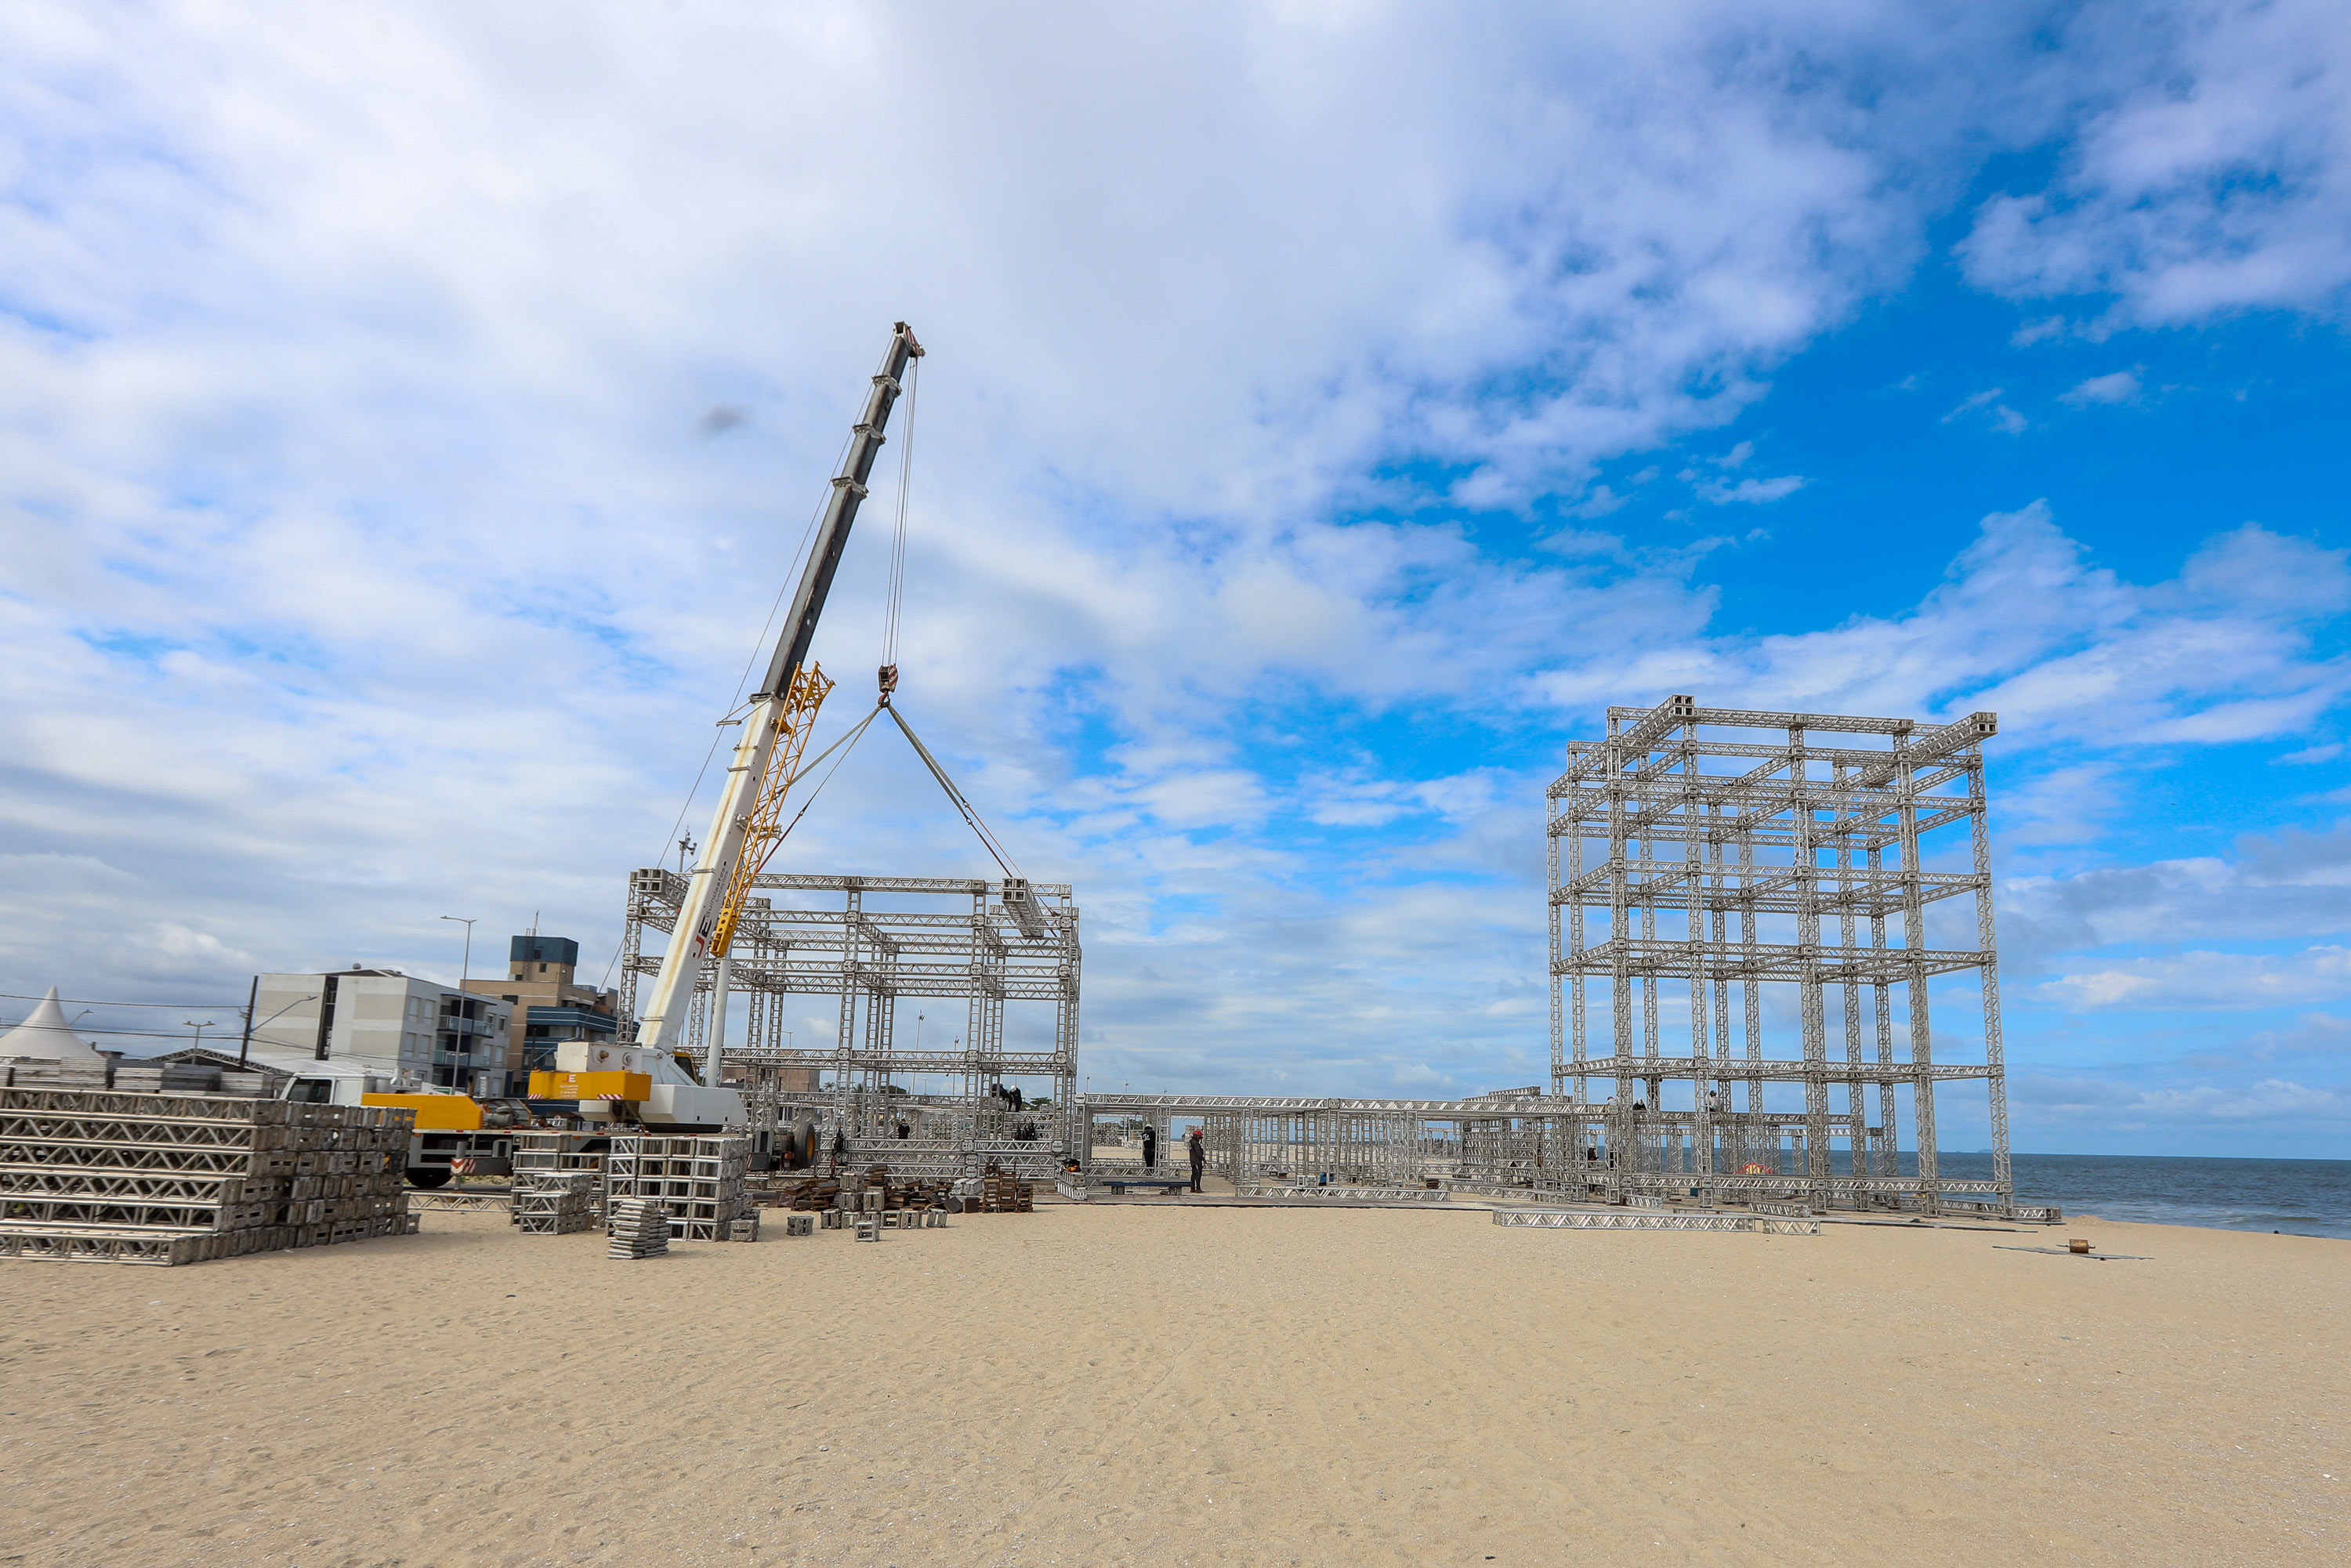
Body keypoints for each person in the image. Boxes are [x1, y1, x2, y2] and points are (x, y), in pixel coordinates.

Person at [1186, 1128, 1205, 1193]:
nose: (1199, 1139)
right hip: (1197, 1161)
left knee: (1193, 1175)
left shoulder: (1191, 1142)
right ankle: (1198, 1188)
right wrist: (1203, 1159)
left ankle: (1192, 1188)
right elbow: (1198, 1153)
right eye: (1199, 1137)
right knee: (1198, 1175)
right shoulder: (1195, 1143)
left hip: (1193, 1161)